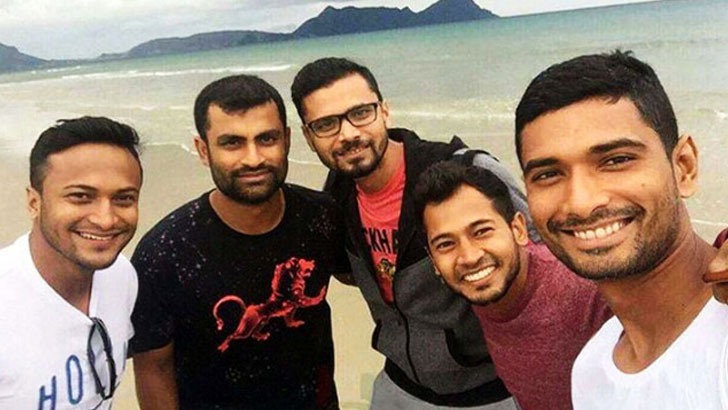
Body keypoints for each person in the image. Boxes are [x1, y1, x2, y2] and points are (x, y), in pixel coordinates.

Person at [291, 57, 530, 409]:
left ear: (384, 111)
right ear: (308, 137)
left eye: (361, 113)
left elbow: (544, 260)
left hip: (491, 389)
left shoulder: (465, 172)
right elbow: (347, 272)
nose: (348, 134)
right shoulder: (336, 199)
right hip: (399, 385)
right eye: (326, 124)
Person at [515, 50, 728, 409]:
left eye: (616, 160)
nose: (581, 203)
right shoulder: (590, 370)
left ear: (684, 167)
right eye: (548, 174)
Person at [130, 74, 349, 410]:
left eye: (267, 139)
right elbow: (153, 368)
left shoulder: (322, 216)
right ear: (203, 150)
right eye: (232, 143)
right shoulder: (163, 252)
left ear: (287, 140)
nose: (253, 158)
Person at [413, 161, 611, 410]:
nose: (469, 257)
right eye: (445, 244)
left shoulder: (587, 290)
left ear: (518, 229)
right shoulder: (485, 291)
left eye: (481, 231)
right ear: (433, 260)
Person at [0, 117, 142, 409]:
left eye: (124, 199)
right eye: (80, 197)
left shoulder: (121, 275)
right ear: (34, 202)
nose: (105, 219)